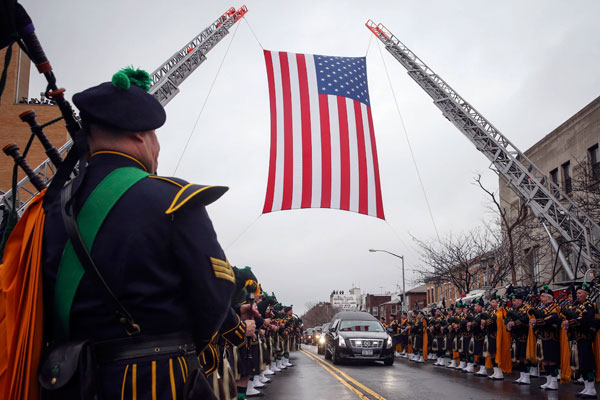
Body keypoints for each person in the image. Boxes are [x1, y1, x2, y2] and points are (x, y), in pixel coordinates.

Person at [41, 68, 235, 399]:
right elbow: (214, 293)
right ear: (140, 135)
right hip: (158, 379)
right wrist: (182, 346)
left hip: (70, 381)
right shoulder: (173, 199)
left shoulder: (47, 212)